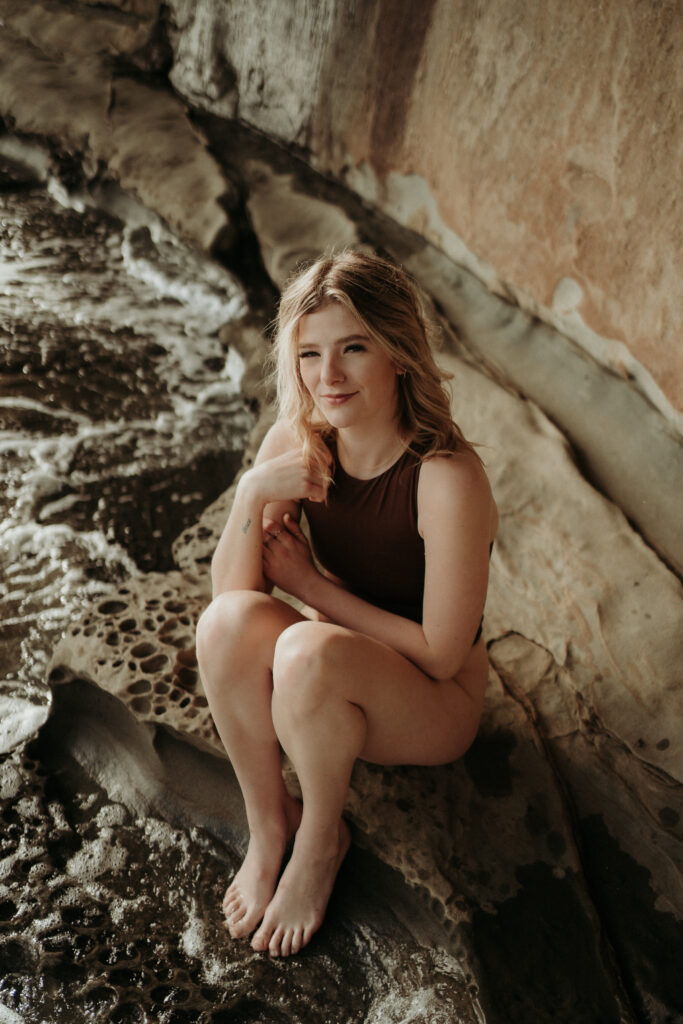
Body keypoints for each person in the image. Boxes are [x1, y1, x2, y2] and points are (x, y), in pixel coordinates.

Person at [195, 250, 498, 958]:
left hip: (432, 704)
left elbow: (440, 652)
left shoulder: (445, 478)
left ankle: (322, 841)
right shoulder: (298, 444)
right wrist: (252, 492)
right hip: (331, 671)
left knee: (305, 649)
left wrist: (313, 590)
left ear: (397, 353)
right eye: (308, 354)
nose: (326, 378)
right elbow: (229, 615)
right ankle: (272, 824)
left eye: (352, 349)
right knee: (228, 626)